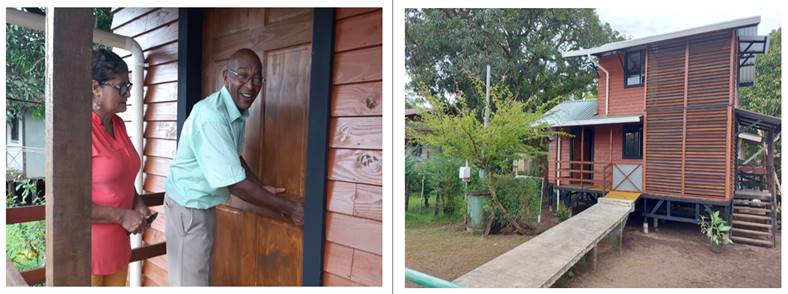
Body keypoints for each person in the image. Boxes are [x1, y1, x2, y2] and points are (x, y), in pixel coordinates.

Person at [164, 48, 304, 286]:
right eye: (242, 76)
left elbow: (234, 159)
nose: (250, 85)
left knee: (197, 279)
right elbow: (235, 184)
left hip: (200, 205)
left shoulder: (233, 111)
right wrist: (290, 208)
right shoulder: (211, 116)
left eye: (257, 77)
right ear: (226, 77)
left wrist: (261, 187)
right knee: (189, 284)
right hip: (188, 208)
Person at [90, 48, 152, 286]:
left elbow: (122, 178)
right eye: (120, 87)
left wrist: (137, 202)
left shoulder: (118, 124)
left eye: (129, 86)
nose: (127, 93)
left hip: (118, 247)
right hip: (89, 253)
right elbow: (69, 204)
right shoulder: (78, 130)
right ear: (96, 88)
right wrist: (121, 215)